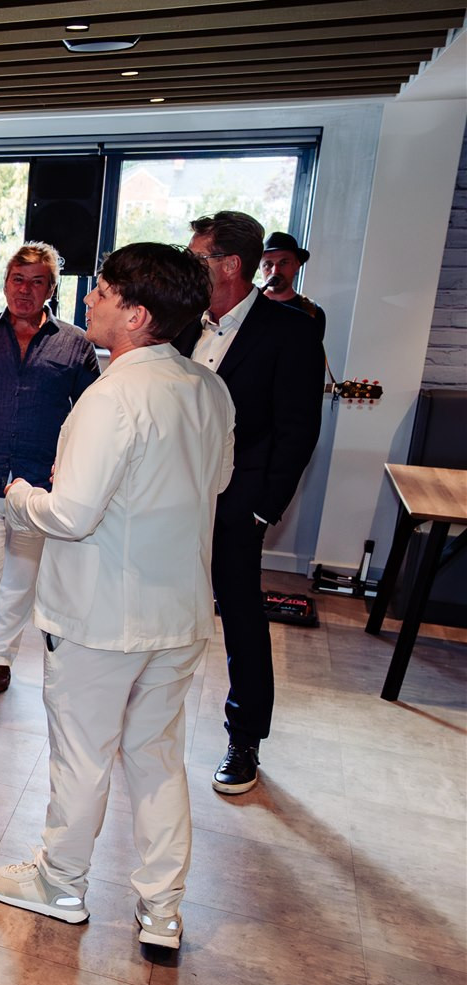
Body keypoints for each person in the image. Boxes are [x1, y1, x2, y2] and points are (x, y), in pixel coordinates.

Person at [0, 244, 235, 956]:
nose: (89, 300)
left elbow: (73, 513)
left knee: (83, 755)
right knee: (156, 755)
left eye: (104, 292)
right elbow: (215, 481)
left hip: (101, 612)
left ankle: (61, 882)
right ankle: (162, 909)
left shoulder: (112, 393)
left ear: (138, 313)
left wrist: (24, 495)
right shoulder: (208, 387)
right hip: (177, 608)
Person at [182, 211, 327, 794]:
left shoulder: (289, 330)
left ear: (230, 265)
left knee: (240, 616)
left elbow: (298, 430)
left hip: (239, 502)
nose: (190, 268)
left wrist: (266, 507)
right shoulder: (180, 326)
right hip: (171, 498)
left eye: (198, 258)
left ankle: (244, 740)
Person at [0, 243, 101, 713]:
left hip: (37, 488)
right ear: (5, 283)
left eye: (36, 282)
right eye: (18, 279)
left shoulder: (75, 343)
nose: (25, 291)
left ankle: (0, 658)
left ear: (51, 288)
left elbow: (93, 413)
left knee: (20, 579)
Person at [259, 231, 324, 331]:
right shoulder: (247, 305)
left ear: (297, 265)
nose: (275, 271)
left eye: (283, 262)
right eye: (268, 264)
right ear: (259, 268)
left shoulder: (313, 312)